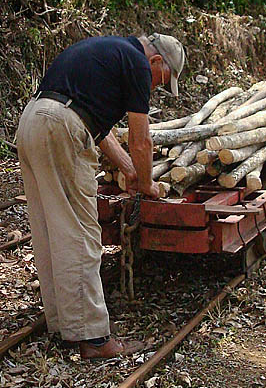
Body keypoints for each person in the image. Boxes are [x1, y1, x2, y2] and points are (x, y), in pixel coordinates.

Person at [16, 33, 186, 360]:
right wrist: (147, 183)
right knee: (81, 234)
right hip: (62, 127)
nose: (153, 89)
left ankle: (62, 325)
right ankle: (93, 339)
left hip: (33, 121)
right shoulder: (137, 63)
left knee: (51, 228)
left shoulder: (108, 53)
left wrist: (130, 171)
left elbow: (100, 128)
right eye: (160, 81)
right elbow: (141, 140)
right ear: (155, 62)